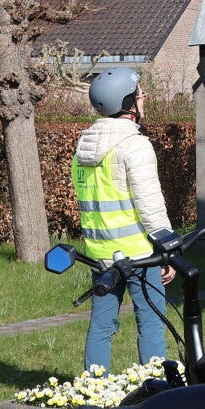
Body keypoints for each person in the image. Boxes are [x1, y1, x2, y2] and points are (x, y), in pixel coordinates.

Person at [72, 67, 176, 372]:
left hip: (100, 254)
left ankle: (93, 389)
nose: (144, 99)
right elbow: (150, 205)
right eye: (140, 95)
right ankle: (155, 388)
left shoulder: (83, 150)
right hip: (140, 254)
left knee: (101, 327)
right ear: (127, 103)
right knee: (151, 322)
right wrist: (168, 250)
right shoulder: (135, 145)